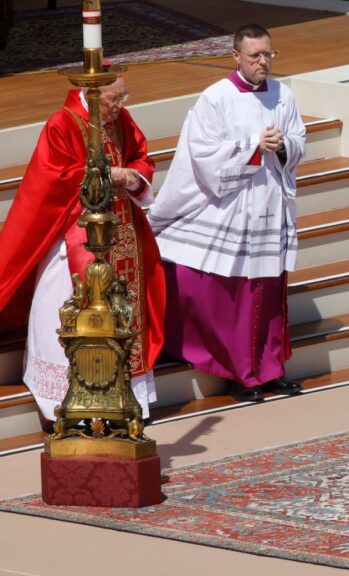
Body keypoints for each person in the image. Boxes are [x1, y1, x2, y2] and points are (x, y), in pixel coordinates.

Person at [148, 24, 305, 403]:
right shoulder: (215, 98)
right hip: (234, 205)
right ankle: (242, 374)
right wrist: (254, 146)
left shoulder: (283, 94)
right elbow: (203, 155)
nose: (263, 62)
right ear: (236, 57)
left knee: (268, 292)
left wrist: (285, 146)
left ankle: (270, 368)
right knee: (237, 297)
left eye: (268, 54)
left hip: (271, 204)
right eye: (255, 56)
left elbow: (300, 138)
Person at [0, 71, 165, 430]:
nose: (120, 106)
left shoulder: (120, 119)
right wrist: (109, 176)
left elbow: (139, 156)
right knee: (66, 304)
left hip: (123, 227)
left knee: (126, 309)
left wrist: (133, 176)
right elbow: (55, 178)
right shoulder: (63, 123)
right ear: (91, 95)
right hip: (76, 232)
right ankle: (68, 403)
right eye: (113, 100)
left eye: (124, 97)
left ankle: (125, 401)